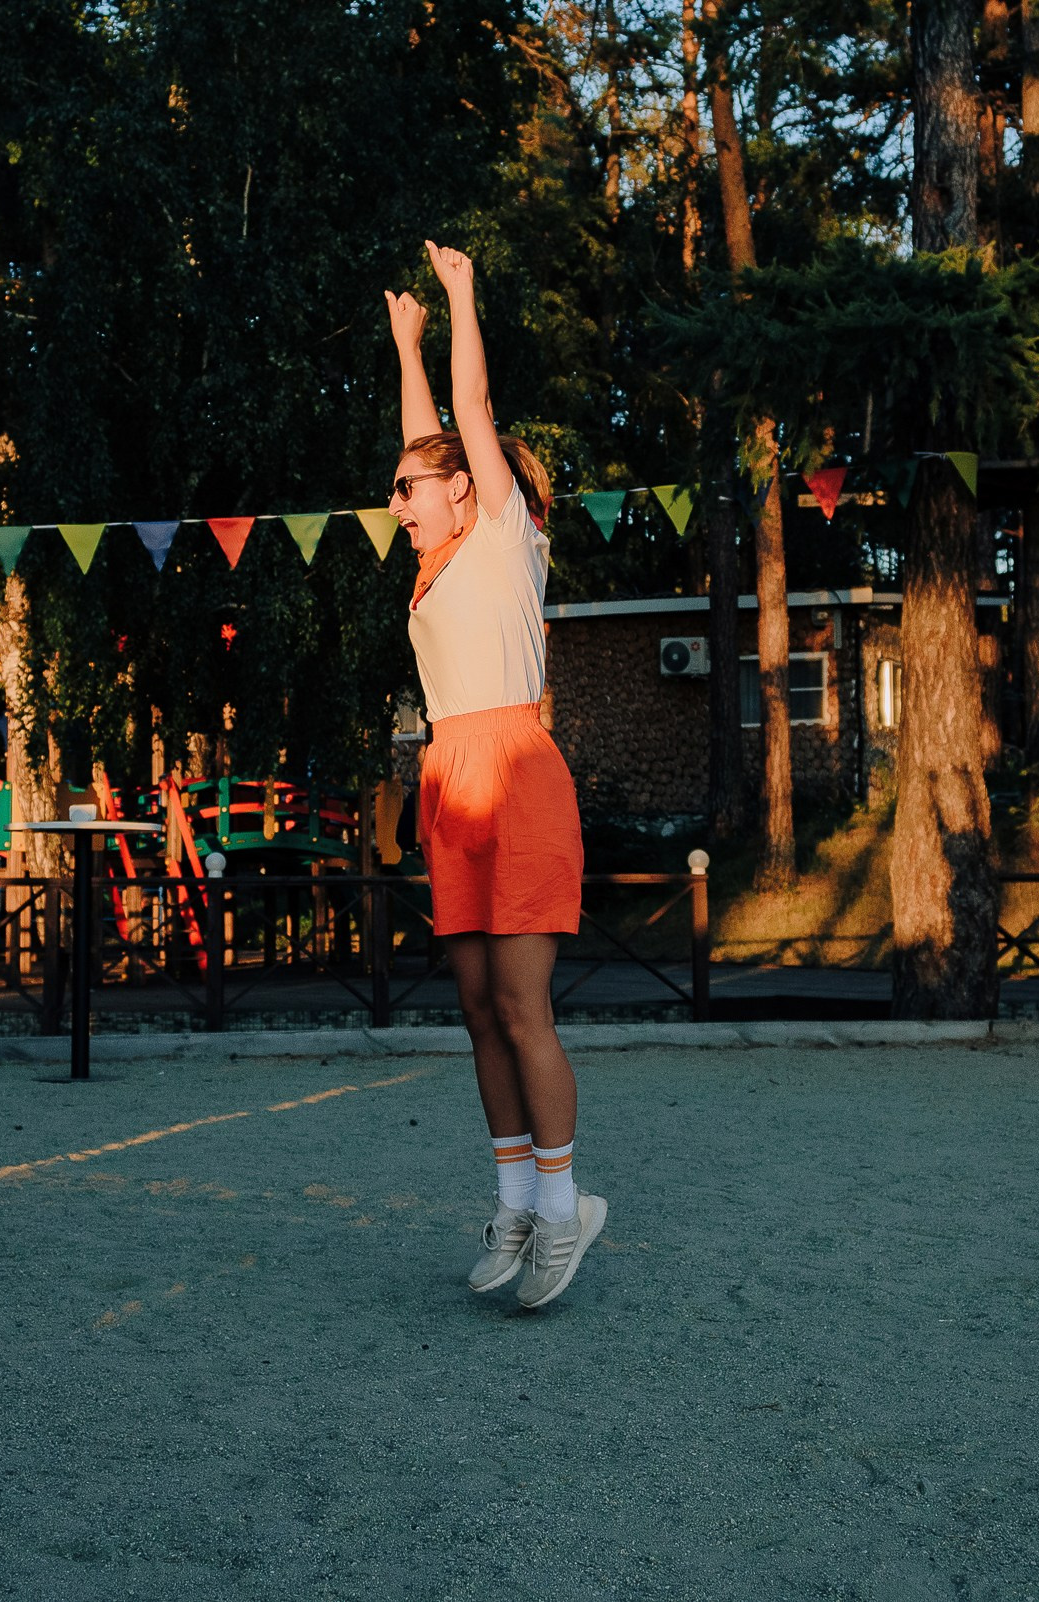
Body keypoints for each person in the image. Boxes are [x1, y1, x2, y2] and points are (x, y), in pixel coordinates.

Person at [386, 243, 600, 1308]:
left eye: (410, 489)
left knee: (522, 1007)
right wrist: (403, 345)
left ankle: (564, 1215)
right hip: (449, 781)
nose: (396, 501)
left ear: (467, 491)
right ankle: (517, 1200)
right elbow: (426, 434)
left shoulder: (508, 537)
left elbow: (466, 415)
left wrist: (463, 302)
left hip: (514, 772)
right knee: (475, 1008)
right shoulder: (430, 569)